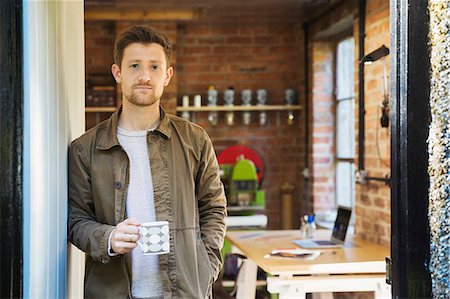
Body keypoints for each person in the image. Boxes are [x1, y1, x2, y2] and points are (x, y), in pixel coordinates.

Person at [68, 25, 227, 299]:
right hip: (112, 292)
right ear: (117, 73)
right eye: (134, 66)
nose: (144, 76)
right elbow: (75, 220)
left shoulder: (195, 140)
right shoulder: (85, 149)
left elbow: (214, 208)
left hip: (185, 291)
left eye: (154, 67)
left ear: (167, 76)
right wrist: (107, 238)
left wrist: (205, 267)